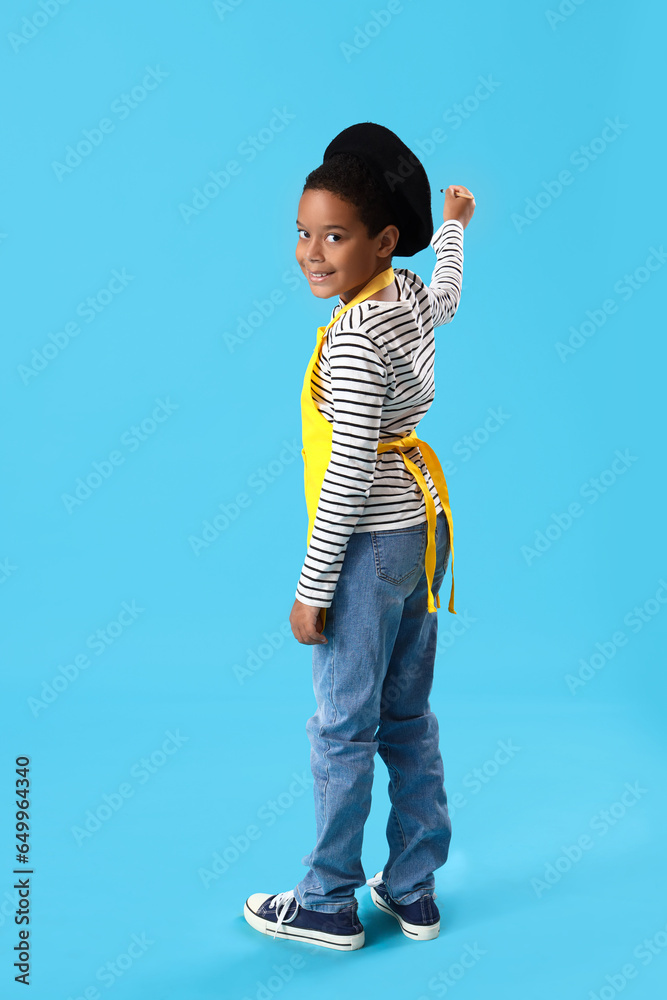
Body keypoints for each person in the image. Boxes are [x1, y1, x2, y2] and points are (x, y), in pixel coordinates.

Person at [244, 122, 475, 951]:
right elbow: (447, 292)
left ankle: (327, 900)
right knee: (407, 718)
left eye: (333, 236)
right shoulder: (406, 295)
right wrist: (453, 227)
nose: (312, 253)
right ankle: (413, 887)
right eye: (302, 234)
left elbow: (344, 479)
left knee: (344, 726)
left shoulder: (350, 341)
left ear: (380, 241)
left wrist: (312, 592)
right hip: (418, 537)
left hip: (366, 546)